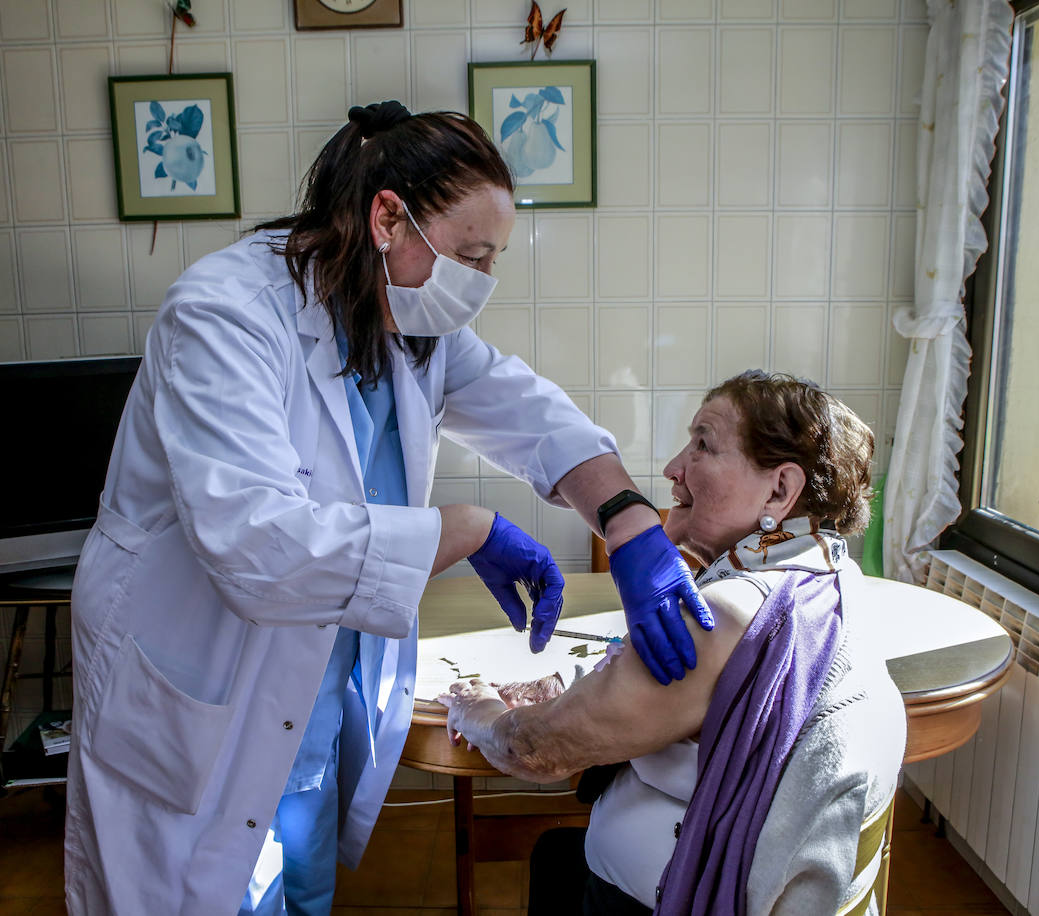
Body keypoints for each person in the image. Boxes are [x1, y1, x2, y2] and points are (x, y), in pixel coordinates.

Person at [62, 101, 713, 916]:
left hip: (308, 674)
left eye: (493, 259)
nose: (479, 282)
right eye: (471, 256)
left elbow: (532, 414)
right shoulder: (225, 315)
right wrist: (467, 529)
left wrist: (628, 520)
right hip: (195, 660)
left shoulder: (404, 317)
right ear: (386, 217)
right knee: (202, 888)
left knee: (299, 876)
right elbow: (258, 546)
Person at [439, 371, 907, 916]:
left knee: (553, 863)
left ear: (780, 490)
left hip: (655, 902)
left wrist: (478, 710)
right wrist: (572, 680)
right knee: (554, 860)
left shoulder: (726, 617)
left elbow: (535, 748)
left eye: (703, 444)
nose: (673, 469)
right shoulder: (827, 575)